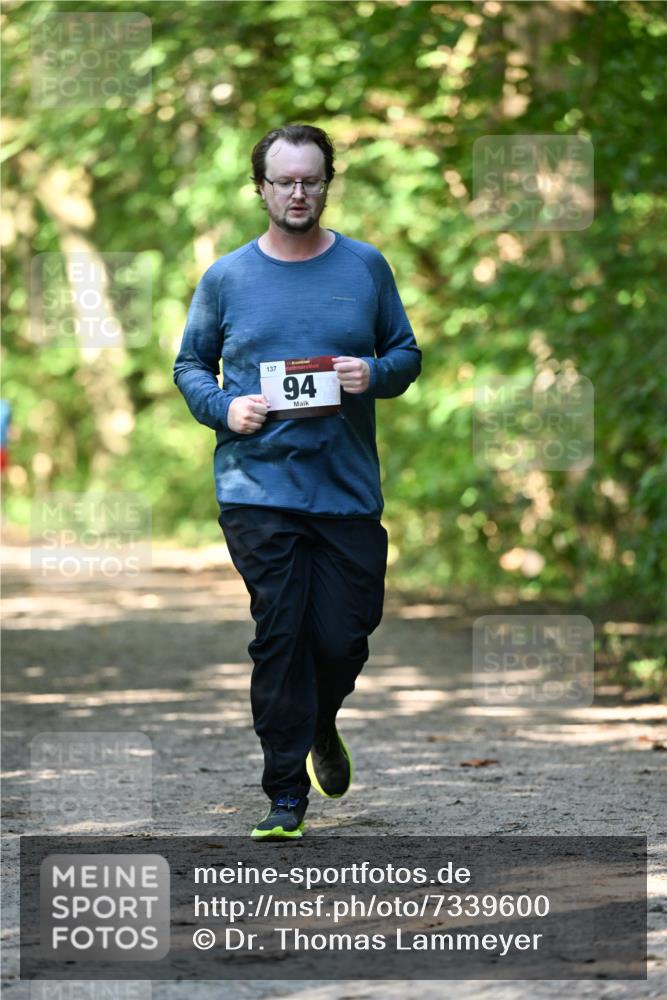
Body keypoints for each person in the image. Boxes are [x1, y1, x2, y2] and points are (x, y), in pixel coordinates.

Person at [173, 123, 421, 840]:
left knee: (344, 638)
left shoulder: (365, 267)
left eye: (310, 180)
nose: (297, 192)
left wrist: (370, 373)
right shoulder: (226, 277)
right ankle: (284, 795)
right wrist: (226, 407)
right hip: (256, 488)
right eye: (284, 181)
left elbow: (405, 353)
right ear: (261, 189)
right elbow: (190, 366)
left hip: (344, 488)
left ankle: (320, 720)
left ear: (326, 183)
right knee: (279, 635)